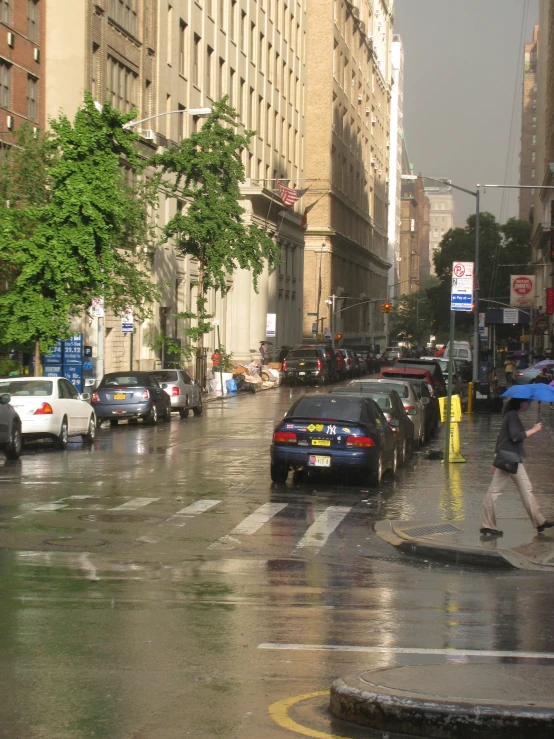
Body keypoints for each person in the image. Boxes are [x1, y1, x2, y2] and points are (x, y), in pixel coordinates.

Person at [480, 398, 554, 536]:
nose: (528, 405)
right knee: (494, 491)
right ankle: (487, 525)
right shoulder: (512, 415)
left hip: (513, 460)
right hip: (508, 460)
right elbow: (515, 437)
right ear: (520, 403)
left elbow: (500, 438)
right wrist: (534, 429)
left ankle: (539, 521)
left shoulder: (511, 416)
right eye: (527, 402)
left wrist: (495, 459)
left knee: (527, 490)